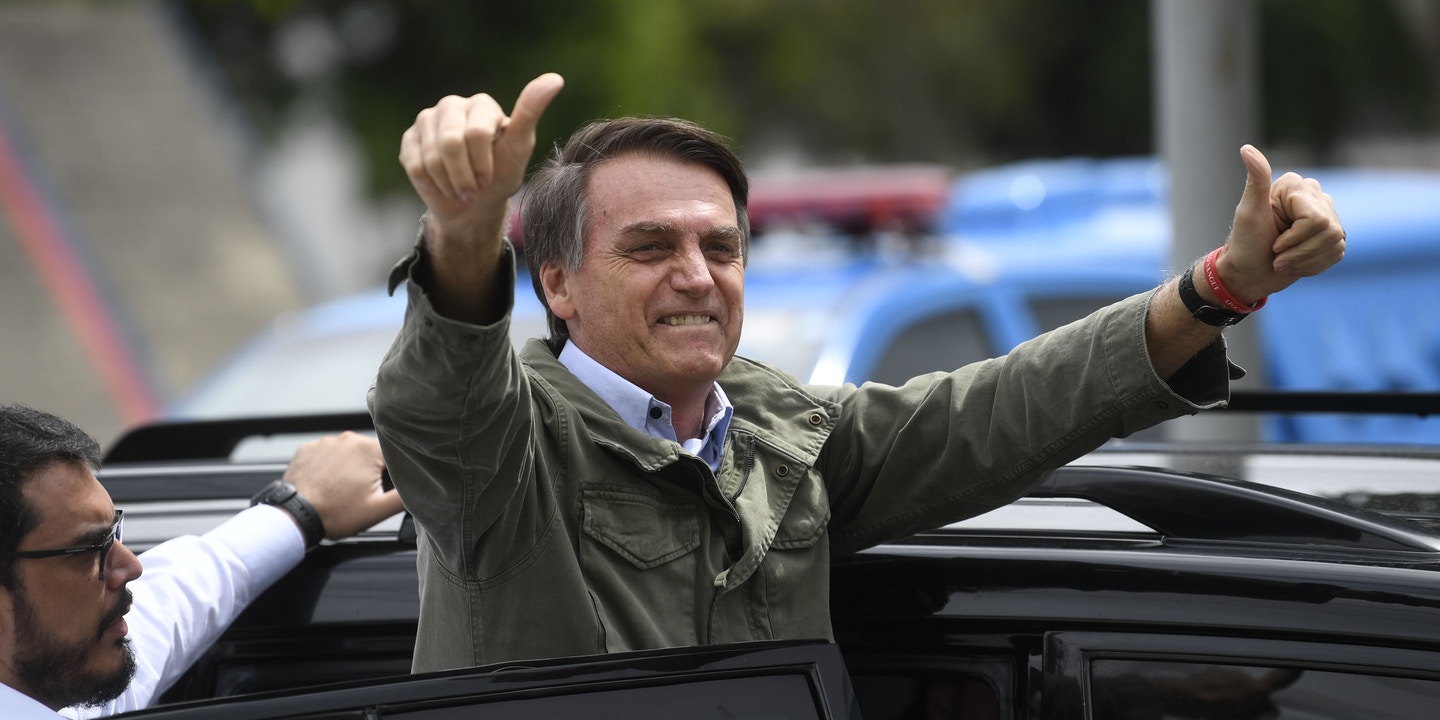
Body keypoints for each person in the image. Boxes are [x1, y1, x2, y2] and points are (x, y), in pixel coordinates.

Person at [370, 73, 1345, 672]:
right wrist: (461, 228)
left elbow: (1003, 411)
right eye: (649, 247)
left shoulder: (783, 437)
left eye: (723, 246)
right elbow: (441, 400)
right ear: (559, 284)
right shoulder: (504, 452)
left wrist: (1221, 286)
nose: (698, 276)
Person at [0, 404, 405, 719]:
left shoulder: (55, 676)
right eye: (89, 549)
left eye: (113, 534)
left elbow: (186, 591)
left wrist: (298, 512)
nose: (131, 567)